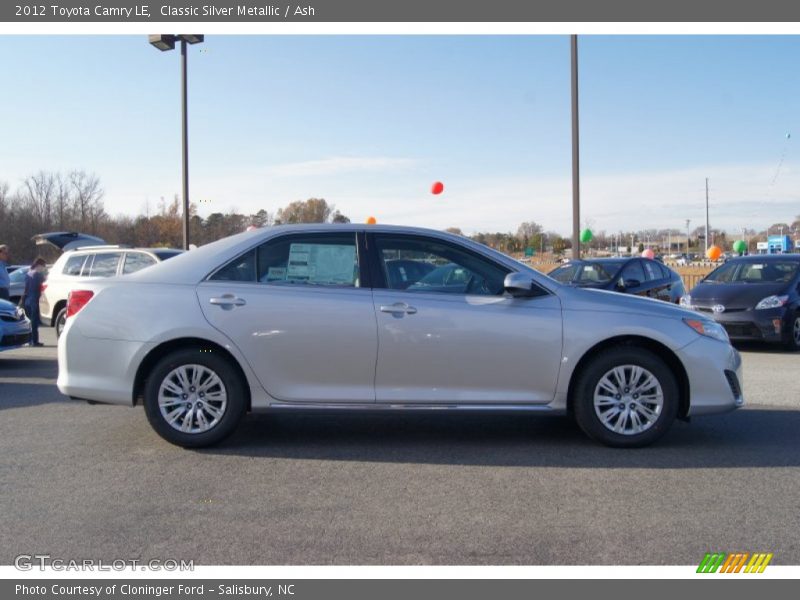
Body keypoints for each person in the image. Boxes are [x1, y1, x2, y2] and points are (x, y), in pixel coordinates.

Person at [19, 257, 47, 347]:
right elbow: (43, 287)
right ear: (39, 265)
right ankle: (35, 341)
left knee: (29, 321)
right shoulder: (38, 275)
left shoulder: (28, 274)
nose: (43, 268)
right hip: (35, 299)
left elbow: (26, 289)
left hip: (28, 300)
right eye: (43, 266)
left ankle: (28, 340)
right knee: (34, 322)